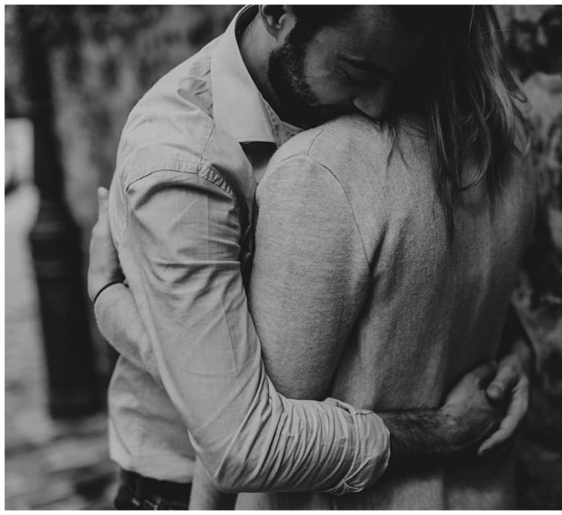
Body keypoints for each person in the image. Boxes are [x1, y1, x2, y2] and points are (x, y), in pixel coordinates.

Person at [87, 5, 533, 510]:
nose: (378, 107)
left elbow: (421, 272)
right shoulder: (182, 167)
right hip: (177, 488)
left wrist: (513, 350)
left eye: (396, 75)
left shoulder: (373, 102)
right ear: (279, 13)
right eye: (357, 72)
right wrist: (445, 429)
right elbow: (239, 440)